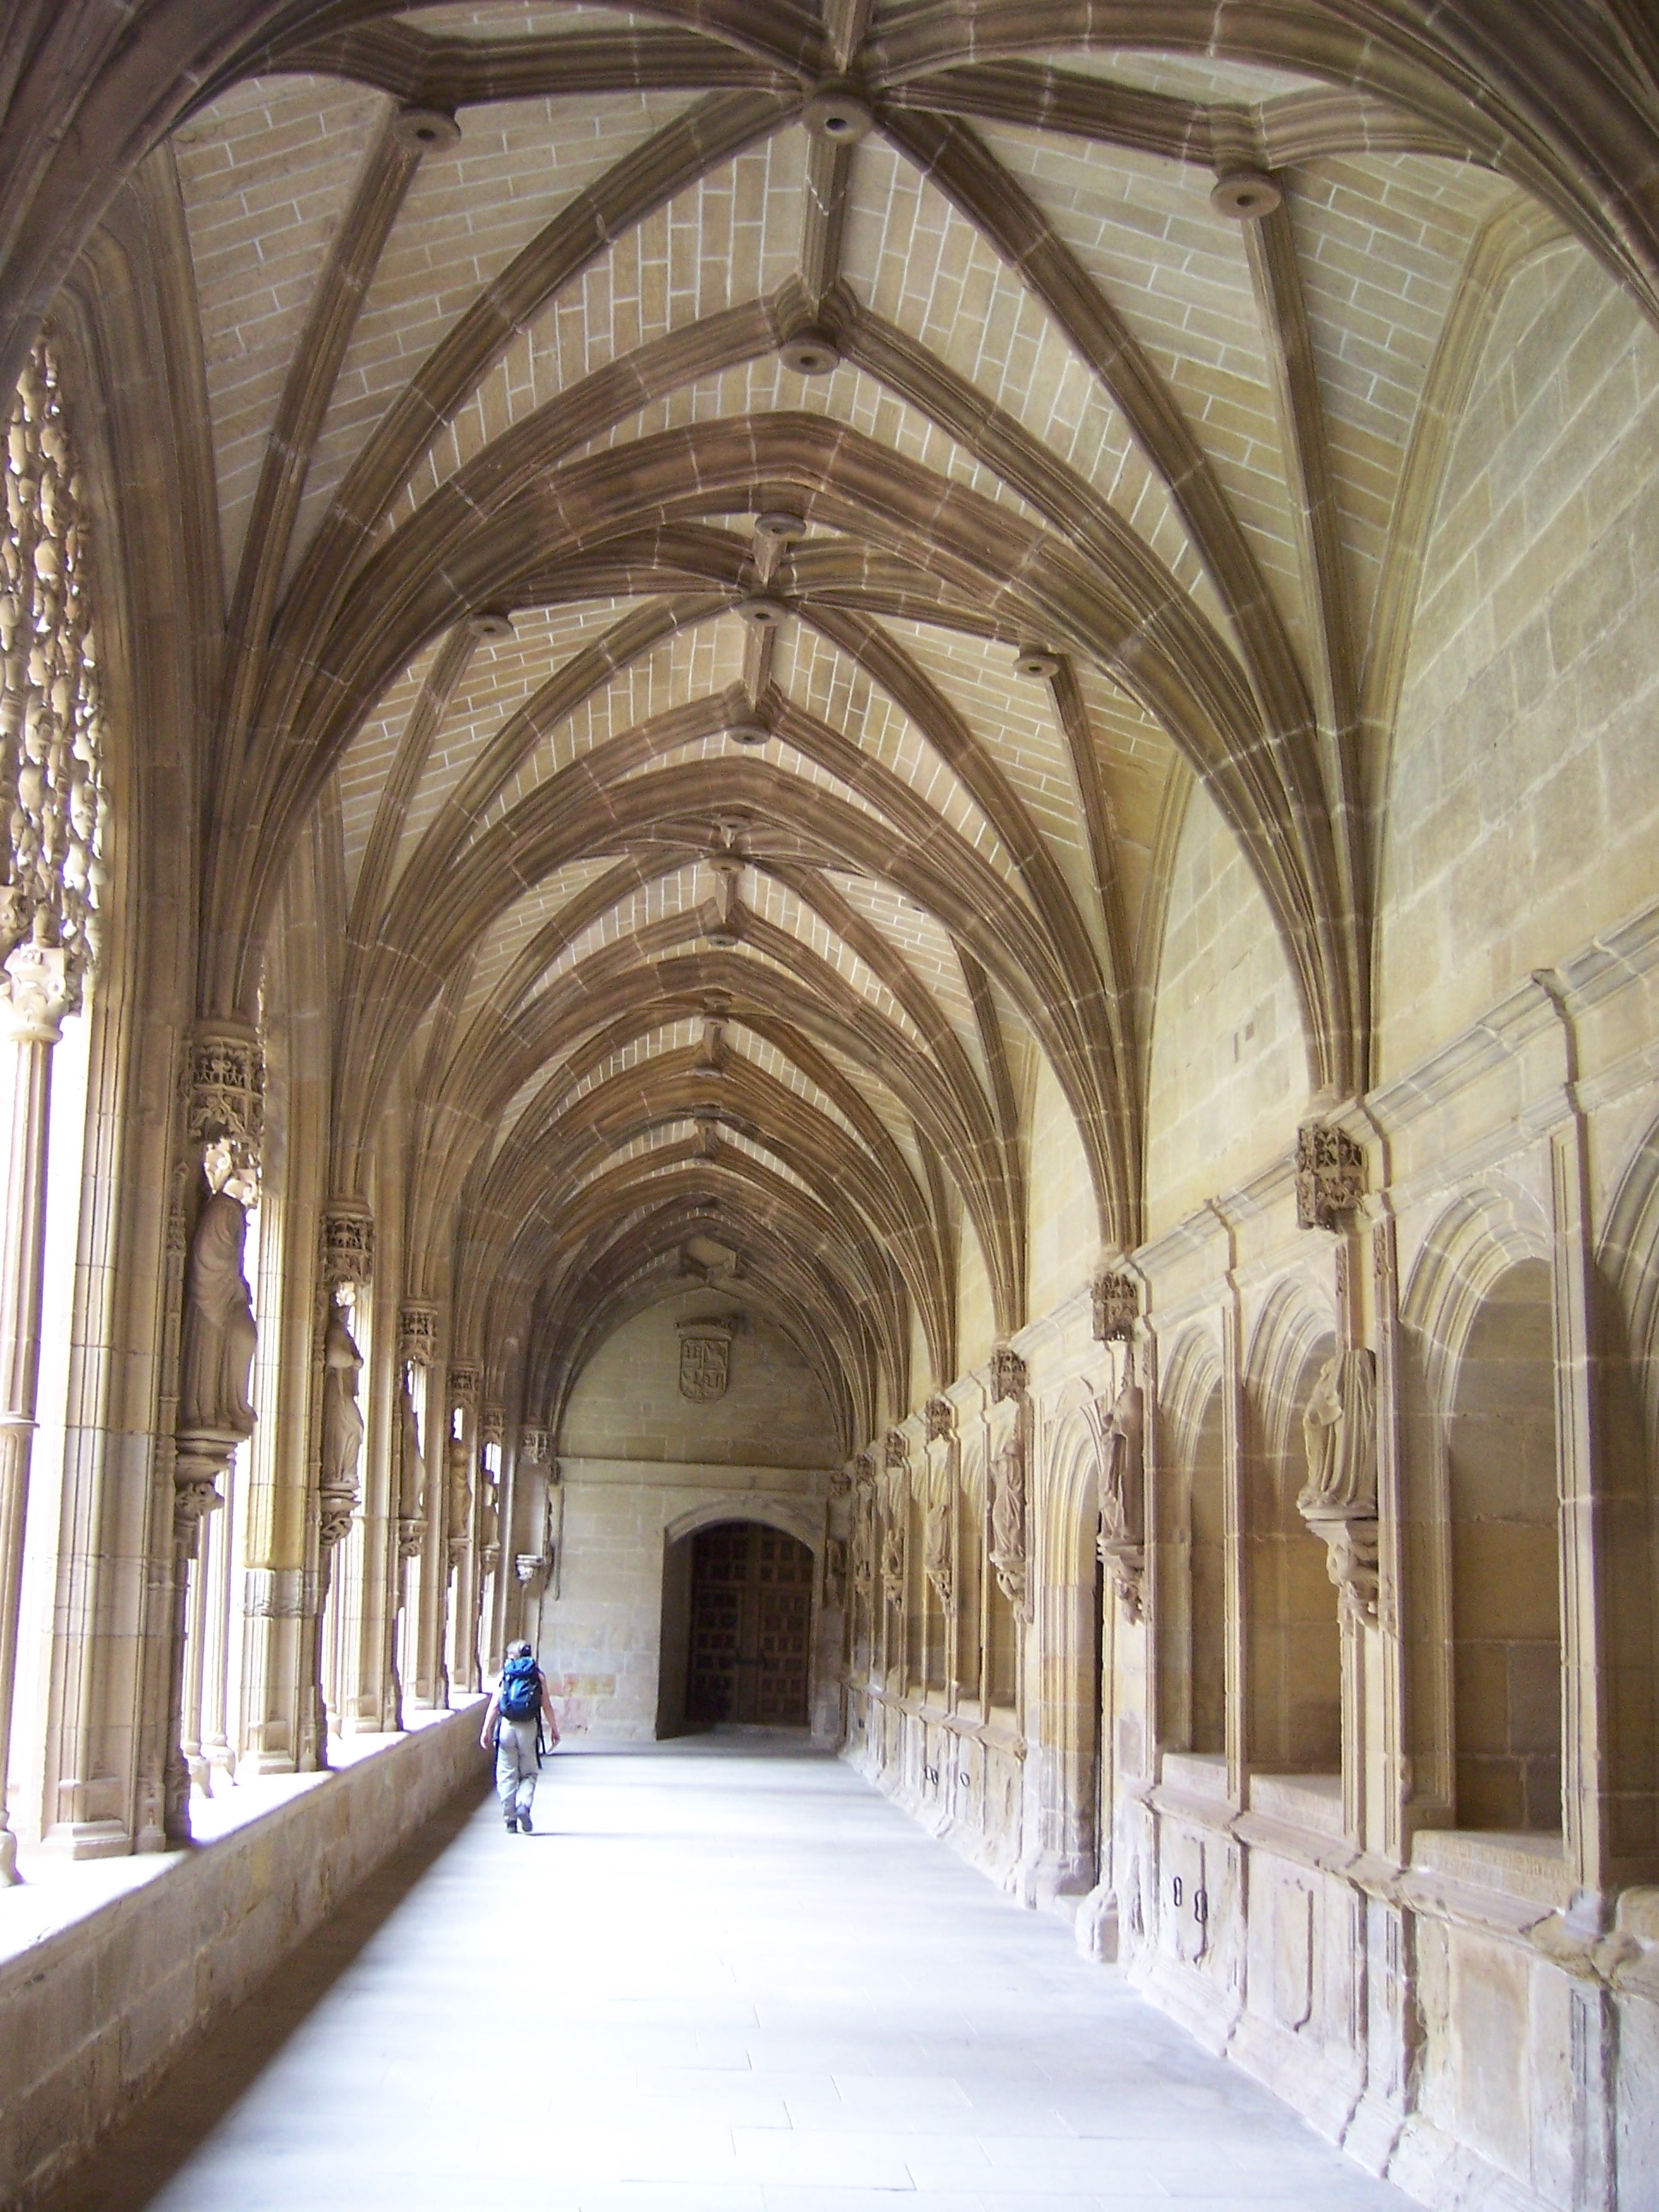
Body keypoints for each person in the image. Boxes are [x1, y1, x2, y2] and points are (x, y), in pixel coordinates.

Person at [480, 1639, 559, 1832]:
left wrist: (486, 1729)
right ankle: (523, 1804)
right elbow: (546, 1705)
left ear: (511, 1656)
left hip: (507, 1727)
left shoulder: (505, 1675)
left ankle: (510, 1819)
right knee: (529, 1772)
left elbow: (495, 1705)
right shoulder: (538, 1676)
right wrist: (554, 1729)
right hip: (528, 1728)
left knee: (506, 1773)